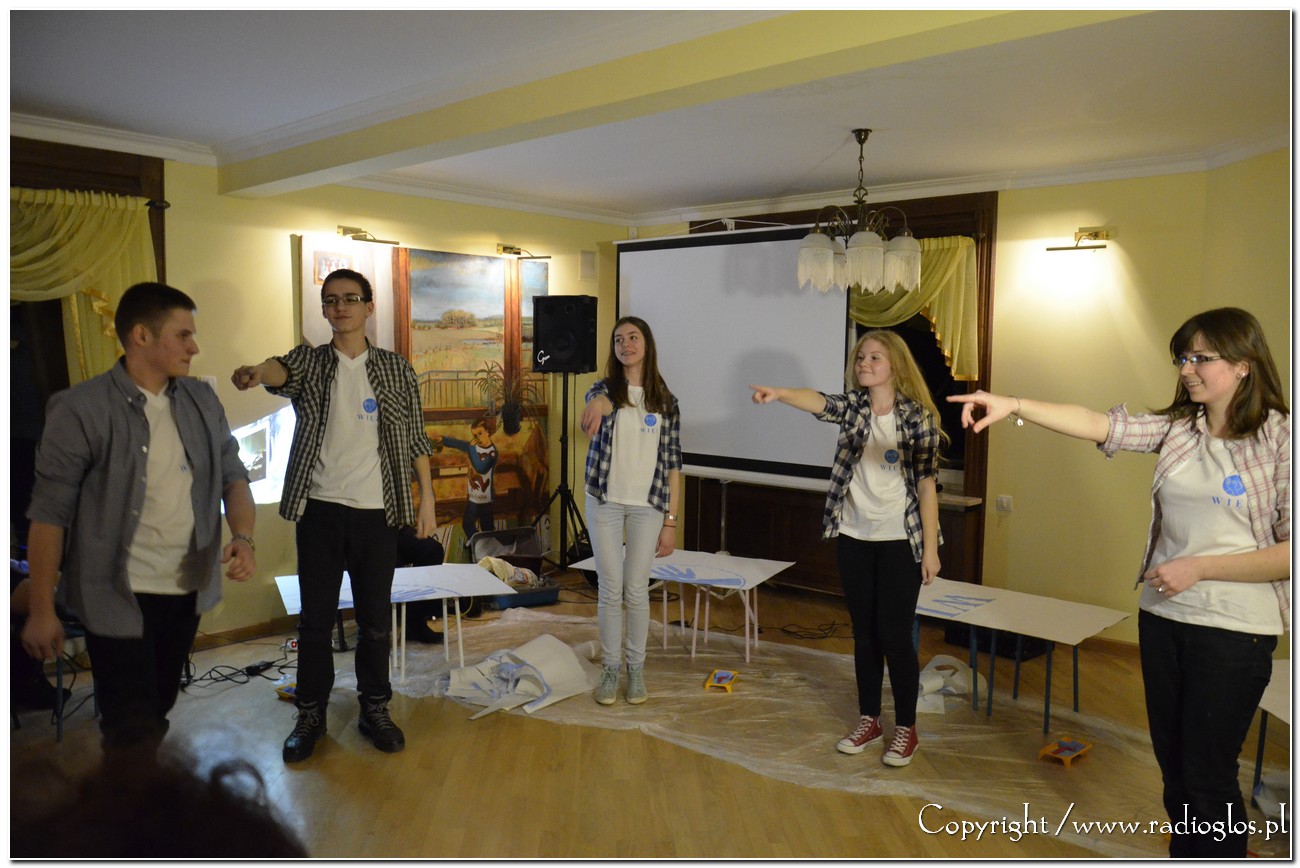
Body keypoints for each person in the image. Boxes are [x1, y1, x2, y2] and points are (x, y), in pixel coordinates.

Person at [948, 307, 1289, 858]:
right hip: (1164, 619)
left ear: (1243, 365)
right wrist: (1013, 404)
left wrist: (1200, 567)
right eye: (1183, 358)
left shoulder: (1280, 438)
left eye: (1201, 357)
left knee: (1207, 773)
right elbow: (1098, 424)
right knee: (1174, 769)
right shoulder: (1181, 429)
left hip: (1235, 630)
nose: (1186, 369)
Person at [22, 282, 256, 750]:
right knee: (130, 724)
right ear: (141, 336)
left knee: (158, 706)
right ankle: (133, 792)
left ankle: (138, 786)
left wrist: (243, 536)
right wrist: (42, 610)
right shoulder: (80, 408)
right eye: (183, 335)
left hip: (185, 588)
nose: (194, 347)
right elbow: (49, 514)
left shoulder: (202, 400)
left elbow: (233, 476)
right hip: (115, 592)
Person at [231, 268, 437, 763]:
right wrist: (258, 372)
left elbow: (415, 437)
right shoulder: (312, 361)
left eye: (350, 298)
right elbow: (281, 370)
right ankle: (310, 713)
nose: (340, 307)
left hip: (378, 514)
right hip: (320, 511)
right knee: (315, 623)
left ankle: (374, 708)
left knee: (375, 622)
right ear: (324, 309)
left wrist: (427, 497)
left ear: (369, 307)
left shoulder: (395, 369)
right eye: (331, 300)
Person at [750, 329, 945, 767]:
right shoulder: (855, 407)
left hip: (900, 540)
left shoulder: (917, 417)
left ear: (894, 366)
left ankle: (907, 728)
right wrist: (781, 393)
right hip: (854, 538)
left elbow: (927, 486)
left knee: (895, 636)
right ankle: (869, 719)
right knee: (865, 634)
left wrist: (930, 550)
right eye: (861, 357)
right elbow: (820, 402)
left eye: (874, 357)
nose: (864, 364)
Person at [580, 316, 682, 706]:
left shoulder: (666, 402)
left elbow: (673, 466)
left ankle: (635, 671)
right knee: (610, 589)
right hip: (605, 502)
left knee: (637, 590)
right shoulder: (603, 389)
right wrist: (599, 403)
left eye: (633, 337)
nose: (626, 344)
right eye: (619, 339)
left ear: (647, 344)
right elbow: (598, 405)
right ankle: (611, 670)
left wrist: (670, 522)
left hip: (648, 507)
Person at [438, 415, 500, 544]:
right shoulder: (475, 446)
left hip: (485, 497)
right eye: (475, 435)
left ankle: (486, 546)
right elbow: (459, 444)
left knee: (487, 526)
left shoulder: (492, 453)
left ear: (488, 432)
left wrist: (471, 448)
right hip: (474, 495)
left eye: (480, 433)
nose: (477, 438)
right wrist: (443, 440)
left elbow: (480, 468)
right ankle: (477, 543)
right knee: (468, 523)